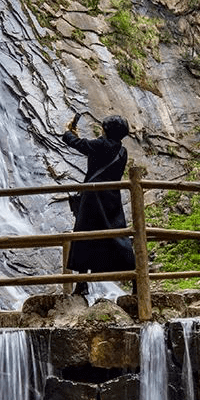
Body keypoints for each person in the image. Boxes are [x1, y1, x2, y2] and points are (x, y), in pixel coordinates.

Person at [62, 113, 135, 295]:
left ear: (107, 130)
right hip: (112, 199)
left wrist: (68, 132)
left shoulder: (101, 145)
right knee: (118, 238)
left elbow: (79, 145)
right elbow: (90, 147)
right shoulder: (122, 151)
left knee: (84, 238)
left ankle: (82, 284)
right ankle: (136, 279)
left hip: (92, 200)